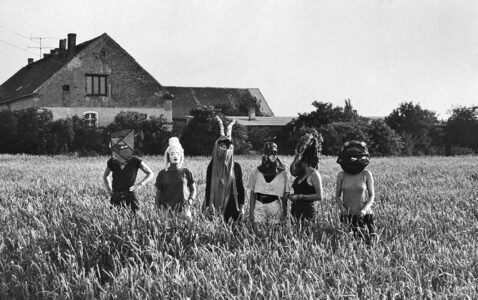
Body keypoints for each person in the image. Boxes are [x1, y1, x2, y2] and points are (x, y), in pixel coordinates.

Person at [203, 116, 245, 222]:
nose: (225, 150)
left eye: (228, 147)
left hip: (233, 207)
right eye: (222, 146)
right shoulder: (212, 167)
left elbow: (240, 187)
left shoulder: (236, 167)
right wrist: (207, 206)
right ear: (217, 147)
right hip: (216, 207)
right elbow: (208, 187)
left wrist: (242, 206)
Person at [103, 129, 154, 212]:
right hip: (116, 196)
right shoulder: (112, 161)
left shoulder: (135, 160)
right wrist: (109, 189)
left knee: (136, 220)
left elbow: (150, 173)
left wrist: (140, 184)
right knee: (116, 221)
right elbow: (105, 176)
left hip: (131, 195)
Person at [335, 140, 375, 243]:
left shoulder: (366, 174)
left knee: (368, 244)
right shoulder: (341, 175)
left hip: (364, 215)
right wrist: (342, 208)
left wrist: (364, 210)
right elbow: (337, 196)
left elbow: (371, 196)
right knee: (348, 245)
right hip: (347, 216)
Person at [155, 137, 196, 220]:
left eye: (177, 153)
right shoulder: (162, 174)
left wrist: (190, 200)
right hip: (166, 212)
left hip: (184, 210)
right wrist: (157, 209)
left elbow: (193, 189)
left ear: (181, 155)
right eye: (172, 154)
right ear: (168, 156)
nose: (175, 156)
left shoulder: (186, 172)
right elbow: (158, 194)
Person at [248, 142, 289, 225]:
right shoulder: (256, 171)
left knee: (274, 234)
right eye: (270, 152)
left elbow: (285, 196)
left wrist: (285, 214)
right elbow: (252, 194)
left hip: (274, 206)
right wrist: (251, 213)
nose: (273, 155)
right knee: (257, 232)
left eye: (275, 152)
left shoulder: (282, 173)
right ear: (265, 154)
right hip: (259, 206)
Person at [289, 131, 324, 223]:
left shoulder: (314, 174)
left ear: (305, 160)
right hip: (295, 212)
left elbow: (319, 196)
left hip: (307, 214)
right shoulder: (301, 175)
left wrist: (300, 197)